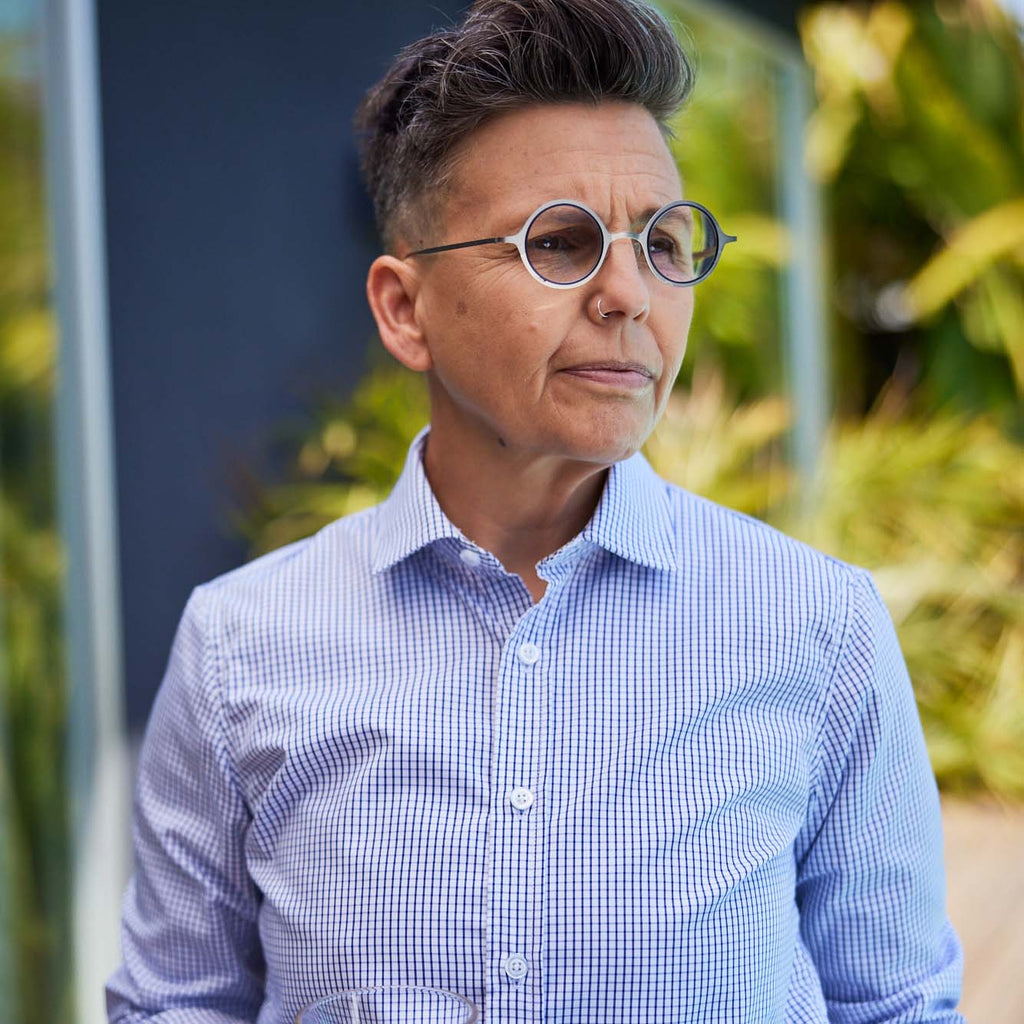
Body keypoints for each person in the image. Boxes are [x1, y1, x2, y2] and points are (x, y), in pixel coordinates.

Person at [106, 1, 966, 1021]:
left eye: (662, 241)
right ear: (402, 308)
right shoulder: (239, 648)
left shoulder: (818, 630)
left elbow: (899, 1006)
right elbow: (173, 1005)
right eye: (559, 242)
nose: (627, 293)